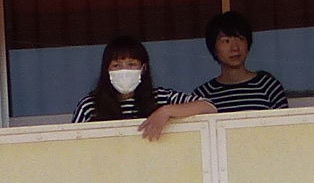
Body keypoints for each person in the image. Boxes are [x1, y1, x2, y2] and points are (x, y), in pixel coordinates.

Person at [71, 37, 211, 139]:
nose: (124, 70)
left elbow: (208, 107)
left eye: (131, 64)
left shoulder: (161, 98)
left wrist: (166, 111)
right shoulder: (89, 106)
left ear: (143, 68)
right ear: (107, 70)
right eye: (116, 65)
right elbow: (72, 144)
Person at [194, 10, 289, 111]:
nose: (235, 48)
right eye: (226, 41)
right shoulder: (203, 95)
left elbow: (284, 120)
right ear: (214, 48)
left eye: (240, 39)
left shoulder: (269, 87)